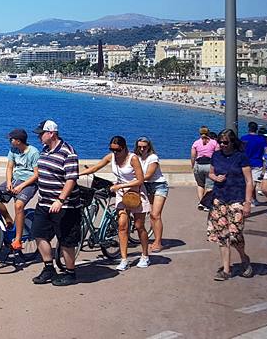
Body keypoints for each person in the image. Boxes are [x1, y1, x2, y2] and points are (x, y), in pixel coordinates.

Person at [81, 136, 150, 271]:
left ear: (124, 148)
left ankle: (145, 255)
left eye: (117, 150)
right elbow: (95, 168)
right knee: (122, 226)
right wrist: (77, 174)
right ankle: (124, 259)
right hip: (121, 194)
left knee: (139, 225)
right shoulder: (111, 157)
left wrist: (120, 186)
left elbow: (140, 180)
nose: (114, 153)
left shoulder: (133, 158)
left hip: (136, 194)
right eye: (112, 149)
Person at [31, 120, 81, 286]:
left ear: (51, 133)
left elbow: (71, 179)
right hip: (44, 202)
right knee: (38, 233)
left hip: (65, 206)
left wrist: (60, 199)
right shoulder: (45, 150)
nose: (39, 136)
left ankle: (70, 273)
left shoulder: (68, 153)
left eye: (41, 133)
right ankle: (48, 268)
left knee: (66, 239)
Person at [208, 129, 254, 281]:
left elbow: (249, 181)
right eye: (220, 142)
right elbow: (211, 173)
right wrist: (216, 178)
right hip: (219, 199)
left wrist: (247, 203)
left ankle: (244, 258)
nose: (222, 145)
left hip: (237, 199)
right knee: (222, 236)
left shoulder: (241, 157)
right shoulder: (216, 155)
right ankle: (226, 270)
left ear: (233, 142)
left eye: (225, 142)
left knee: (235, 235)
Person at [0, 129, 39, 251]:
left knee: (19, 205)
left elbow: (36, 175)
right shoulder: (13, 150)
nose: (10, 141)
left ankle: (18, 239)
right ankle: (8, 220)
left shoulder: (33, 152)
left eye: (11, 139)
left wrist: (21, 186)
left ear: (18, 141)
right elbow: (10, 167)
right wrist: (9, 182)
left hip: (29, 182)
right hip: (15, 179)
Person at [135, 137, 169, 253]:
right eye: (140, 147)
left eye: (144, 146)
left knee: (155, 215)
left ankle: (158, 242)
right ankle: (154, 239)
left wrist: (133, 182)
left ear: (149, 146)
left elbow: (148, 175)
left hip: (158, 186)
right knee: (151, 215)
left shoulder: (153, 158)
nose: (142, 149)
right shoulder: (137, 158)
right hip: (146, 186)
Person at [191, 126, 219, 210]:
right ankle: (207, 203)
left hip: (199, 165)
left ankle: (201, 202)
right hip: (210, 165)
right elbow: (218, 155)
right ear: (208, 133)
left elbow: (193, 156)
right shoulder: (214, 143)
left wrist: (193, 166)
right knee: (210, 186)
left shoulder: (196, 143)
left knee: (200, 185)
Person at [240, 122, 267, 199]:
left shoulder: (243, 138)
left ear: (248, 128)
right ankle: (248, 199)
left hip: (245, 162)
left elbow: (240, 150)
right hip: (257, 162)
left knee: (247, 182)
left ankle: (250, 199)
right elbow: (266, 152)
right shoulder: (262, 139)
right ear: (256, 129)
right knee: (253, 183)